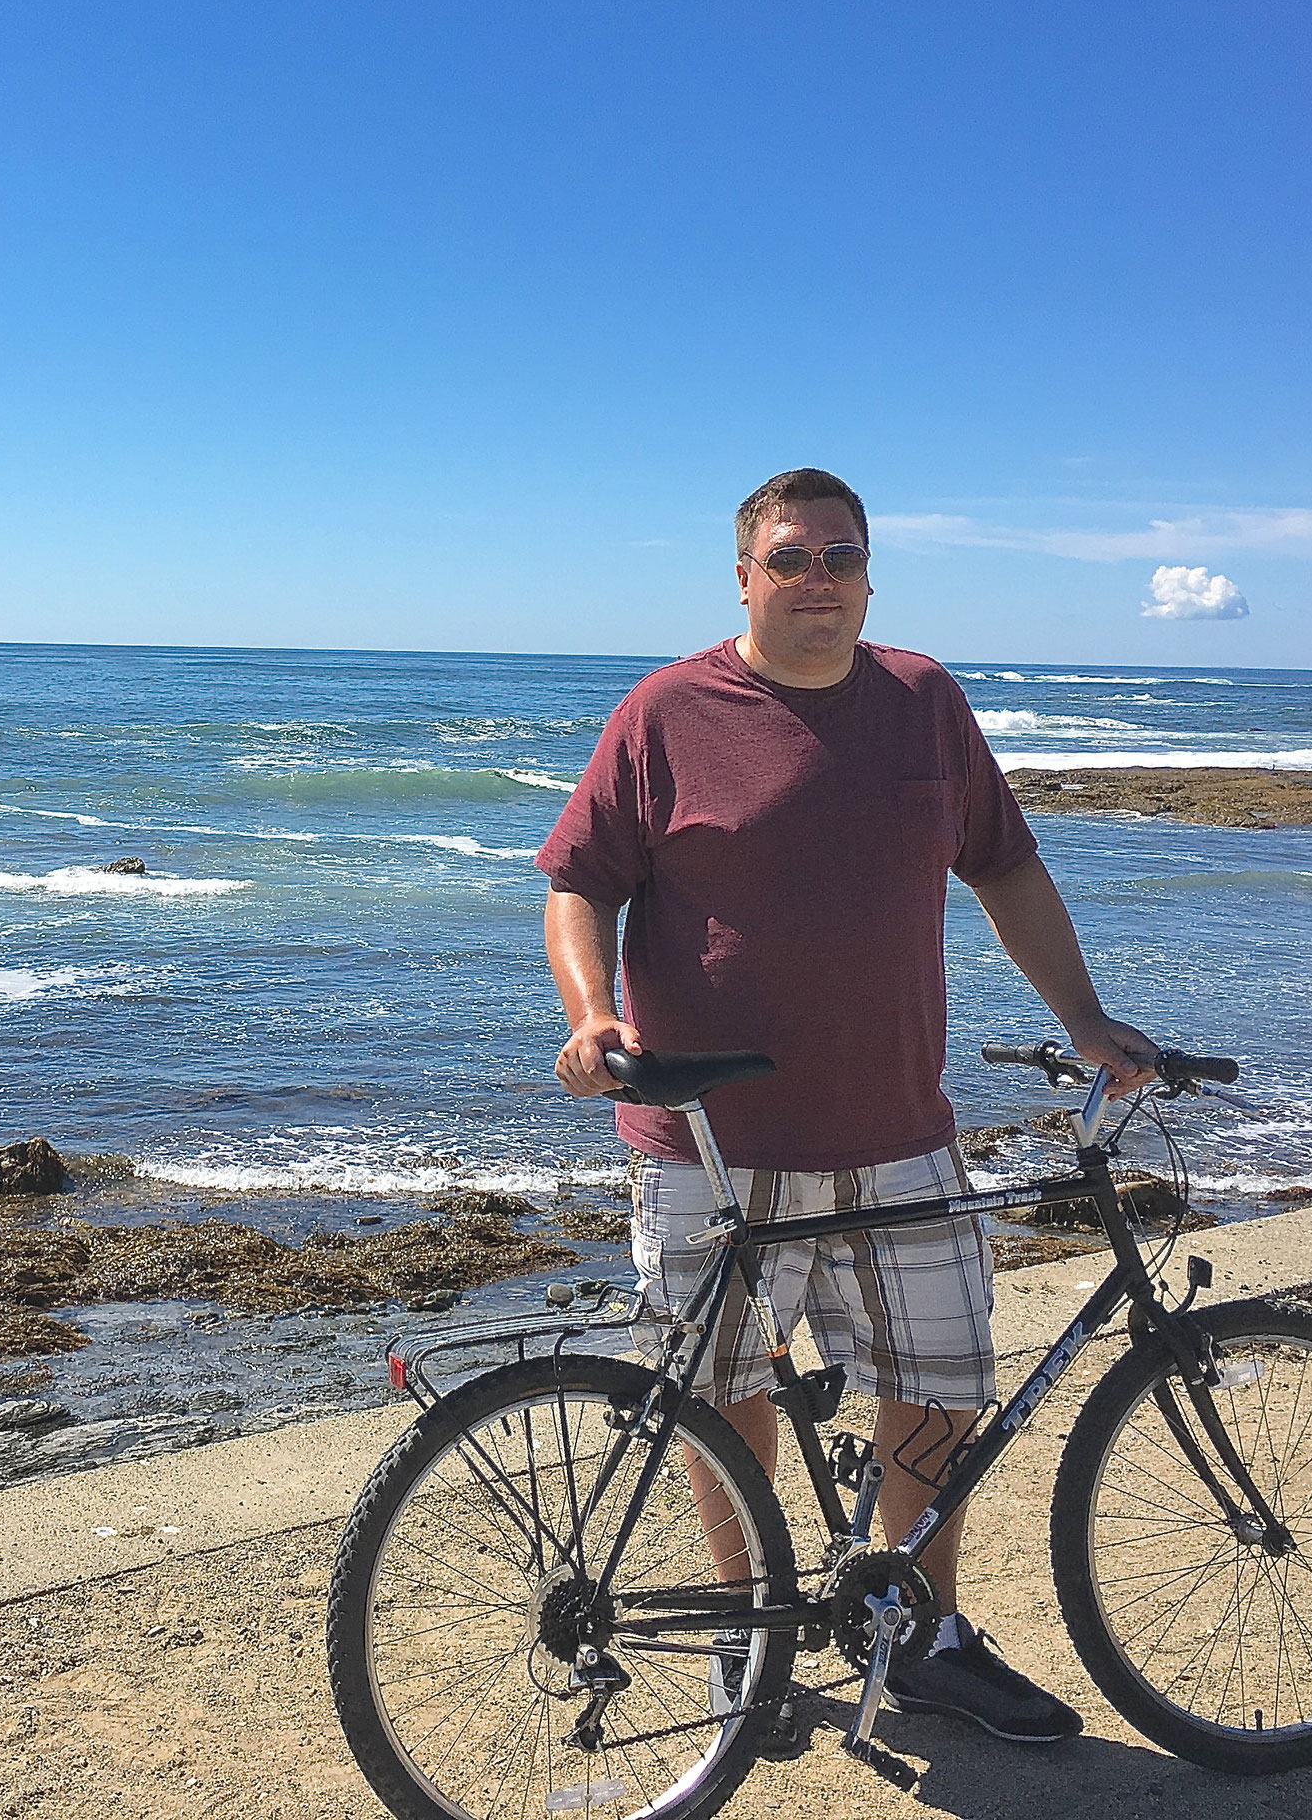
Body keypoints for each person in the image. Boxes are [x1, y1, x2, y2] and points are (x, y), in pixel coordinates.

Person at [536, 466, 1157, 1746]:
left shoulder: (924, 702)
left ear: (868, 573)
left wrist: (1083, 1019)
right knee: (718, 1399)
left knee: (936, 1387)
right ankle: (742, 1631)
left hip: (897, 1126)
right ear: (742, 572)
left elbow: (1005, 865)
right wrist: (589, 1012)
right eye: (790, 556)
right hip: (711, 1137)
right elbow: (577, 880)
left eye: (840, 556)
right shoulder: (663, 710)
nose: (816, 578)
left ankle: (919, 1633)